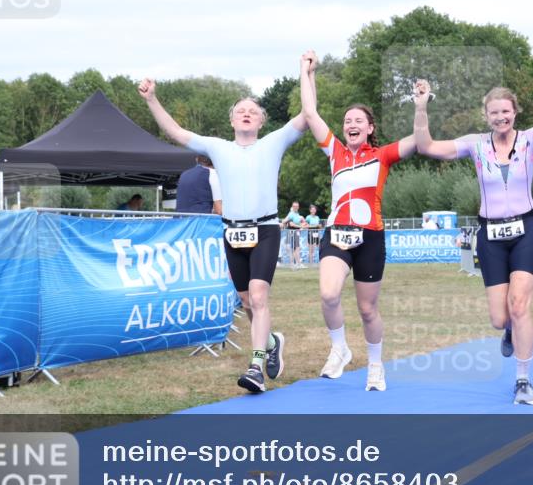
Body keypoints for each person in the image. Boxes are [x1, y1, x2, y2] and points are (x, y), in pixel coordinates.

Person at [414, 47, 533, 405]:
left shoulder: (532, 138)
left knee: (520, 305)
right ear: (486, 116)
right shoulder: (475, 145)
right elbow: (426, 146)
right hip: (489, 234)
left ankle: (523, 381)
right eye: (494, 113)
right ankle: (508, 329)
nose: (500, 117)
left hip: (526, 231)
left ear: (515, 112)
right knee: (499, 316)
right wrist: (422, 105)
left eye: (506, 111)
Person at [138, 78, 307, 393]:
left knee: (258, 296)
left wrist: (306, 75)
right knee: (245, 301)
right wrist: (152, 100)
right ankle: (272, 341)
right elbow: (175, 132)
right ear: (231, 120)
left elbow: (306, 115)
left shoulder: (273, 142)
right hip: (232, 232)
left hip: (266, 228)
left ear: (261, 121)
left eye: (252, 111)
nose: (246, 114)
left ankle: (255, 367)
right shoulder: (218, 147)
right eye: (240, 111)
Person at [299, 50, 416, 392]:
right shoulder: (334, 151)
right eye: (347, 120)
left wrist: (420, 107)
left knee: (367, 310)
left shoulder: (382, 155)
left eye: (358, 121)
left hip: (371, 237)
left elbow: (420, 141)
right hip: (336, 233)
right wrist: (306, 72)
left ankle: (376, 366)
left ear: (370, 128)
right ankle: (340, 348)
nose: (351, 124)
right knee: (328, 293)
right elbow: (309, 112)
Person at [282, 201, 306, 268]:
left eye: (297, 206)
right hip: (291, 232)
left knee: (297, 248)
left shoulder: (298, 214)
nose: (295, 207)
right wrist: (286, 222)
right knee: (290, 248)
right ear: (292, 207)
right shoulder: (291, 214)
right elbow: (284, 221)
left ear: (298, 207)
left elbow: (303, 223)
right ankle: (294, 263)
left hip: (296, 233)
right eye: (294, 206)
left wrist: (301, 225)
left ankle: (297, 263)